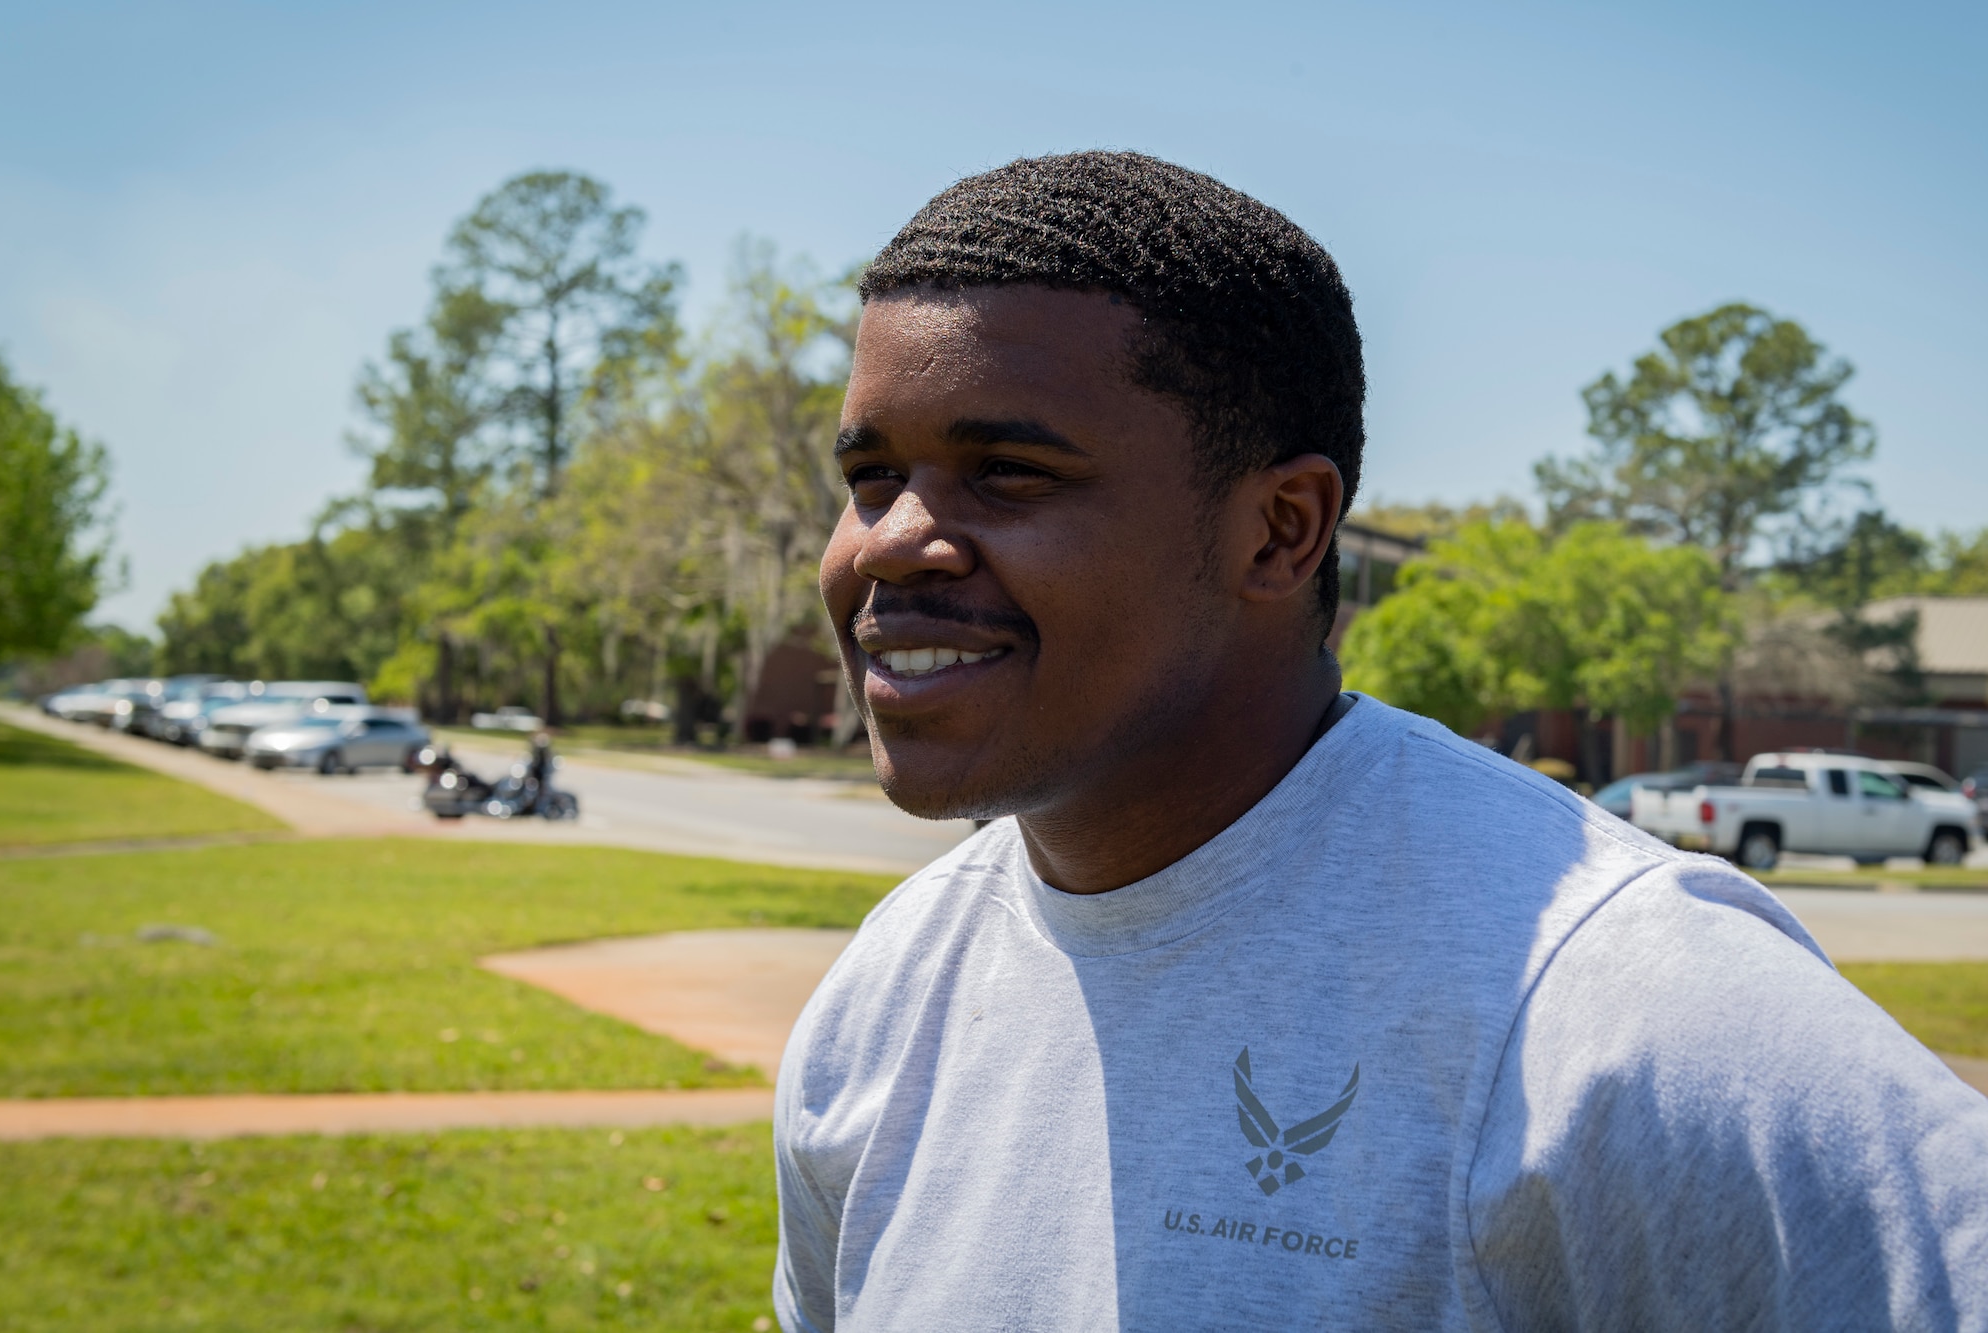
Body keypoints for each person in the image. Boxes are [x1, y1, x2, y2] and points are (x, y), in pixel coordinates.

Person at [773, 151, 1988, 1331]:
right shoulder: (883, 999)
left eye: (1008, 472)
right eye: (873, 476)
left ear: (1278, 532)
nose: (890, 541)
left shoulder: (1617, 1005)